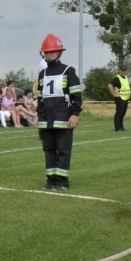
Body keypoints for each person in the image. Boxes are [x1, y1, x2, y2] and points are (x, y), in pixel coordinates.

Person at [35, 34, 82, 190]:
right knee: (48, 150)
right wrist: (38, 117)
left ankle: (62, 182)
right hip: (46, 119)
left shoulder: (69, 71)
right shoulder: (42, 74)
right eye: (47, 52)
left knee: (63, 150)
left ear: (59, 52)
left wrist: (75, 114)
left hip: (63, 118)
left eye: (52, 51)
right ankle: (51, 180)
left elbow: (76, 95)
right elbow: (40, 97)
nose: (49, 54)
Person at [108, 65, 131, 131]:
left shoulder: (126, 77)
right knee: (119, 113)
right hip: (120, 98)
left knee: (123, 113)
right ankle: (118, 128)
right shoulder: (117, 78)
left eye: (125, 70)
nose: (124, 72)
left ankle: (121, 127)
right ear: (119, 71)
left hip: (125, 98)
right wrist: (114, 94)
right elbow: (110, 86)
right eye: (122, 70)